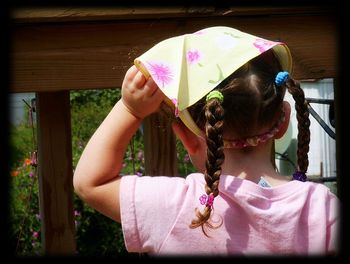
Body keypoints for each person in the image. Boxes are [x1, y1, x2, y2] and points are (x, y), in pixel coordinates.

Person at [73, 26, 339, 256]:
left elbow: (90, 183)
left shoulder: (176, 206)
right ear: (283, 121)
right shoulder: (321, 208)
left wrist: (130, 110)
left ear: (188, 138)